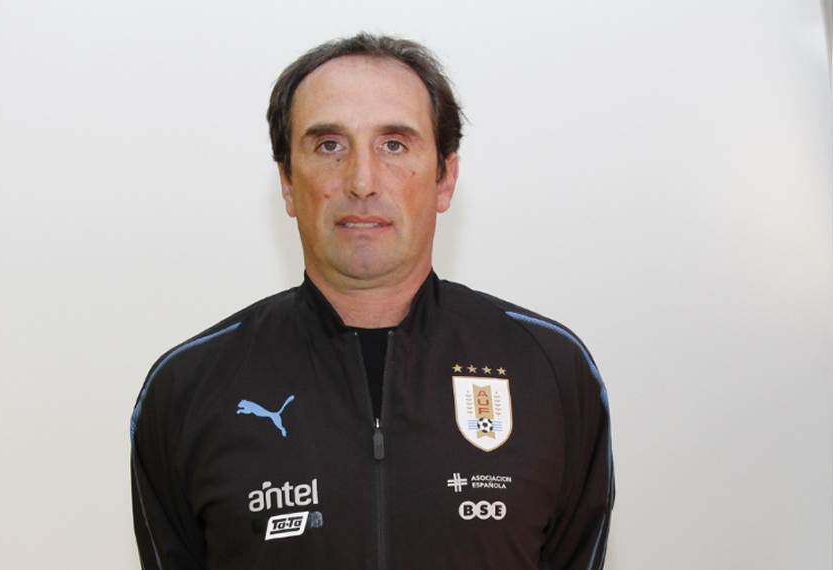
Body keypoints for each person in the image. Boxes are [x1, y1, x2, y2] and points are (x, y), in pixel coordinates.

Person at [131, 32, 614, 569]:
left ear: (445, 178)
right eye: (329, 145)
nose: (362, 181)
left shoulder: (551, 373)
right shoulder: (187, 390)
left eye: (394, 145)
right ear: (287, 182)